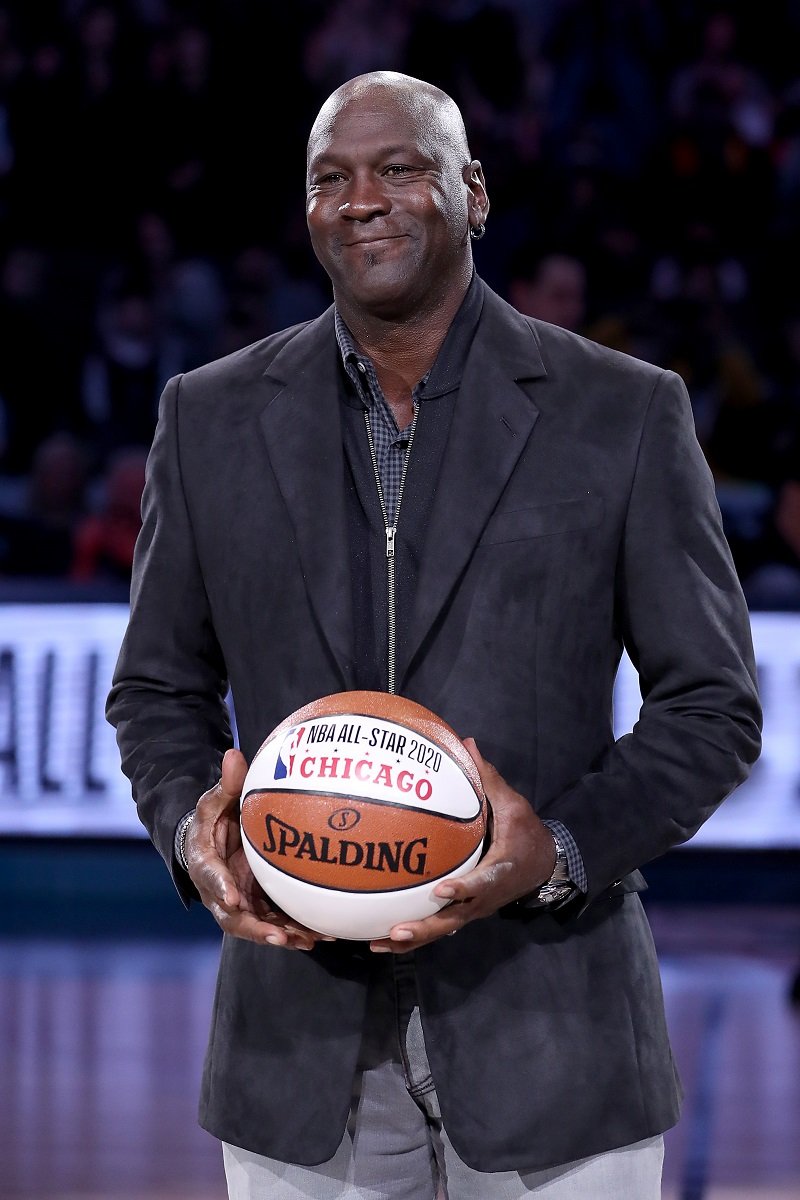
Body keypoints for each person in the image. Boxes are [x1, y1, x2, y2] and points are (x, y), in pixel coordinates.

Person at [106, 70, 763, 1199]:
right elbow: (156, 690)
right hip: (295, 1052)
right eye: (329, 178)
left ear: (473, 192)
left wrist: (552, 855)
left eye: (399, 168)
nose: (361, 199)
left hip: (555, 1037)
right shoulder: (205, 418)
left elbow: (711, 706)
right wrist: (190, 835)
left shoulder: (620, 410)